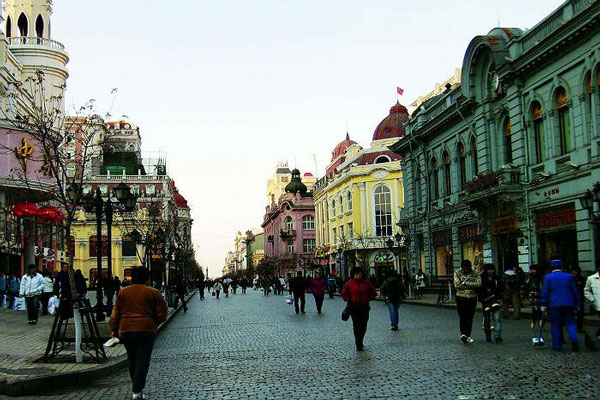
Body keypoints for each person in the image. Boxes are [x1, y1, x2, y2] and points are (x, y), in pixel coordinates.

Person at [109, 266, 167, 400]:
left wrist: (114, 330)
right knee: (142, 360)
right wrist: (154, 322)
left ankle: (136, 389)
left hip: (127, 330)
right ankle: (137, 391)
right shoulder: (153, 292)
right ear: (147, 278)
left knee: (132, 359)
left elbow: (116, 313)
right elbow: (162, 314)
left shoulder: (123, 292)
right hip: (146, 330)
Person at [540, 259, 580, 352]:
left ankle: (557, 345)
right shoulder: (569, 276)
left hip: (554, 304)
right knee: (570, 323)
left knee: (556, 325)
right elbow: (575, 290)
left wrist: (543, 303)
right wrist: (578, 302)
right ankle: (574, 339)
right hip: (568, 303)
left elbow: (545, 292)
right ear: (562, 267)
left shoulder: (547, 277)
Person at [341, 267, 377, 351]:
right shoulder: (349, 284)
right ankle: (358, 342)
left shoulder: (366, 283)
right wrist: (348, 299)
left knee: (364, 325)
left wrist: (369, 298)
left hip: (364, 307)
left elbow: (373, 292)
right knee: (356, 325)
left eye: (359, 274)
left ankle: (361, 339)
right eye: (356, 274)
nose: (358, 276)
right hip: (354, 307)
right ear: (353, 275)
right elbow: (343, 293)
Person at [454, 259, 481, 344]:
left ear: (470, 267)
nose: (465, 270)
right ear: (462, 267)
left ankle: (467, 334)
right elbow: (457, 285)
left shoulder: (475, 273)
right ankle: (463, 334)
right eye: (464, 269)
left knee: (470, 317)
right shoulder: (457, 273)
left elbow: (478, 284)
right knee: (462, 316)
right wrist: (471, 285)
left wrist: (466, 283)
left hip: (472, 297)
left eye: (467, 268)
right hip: (461, 297)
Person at [478, 264, 503, 343]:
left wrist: (494, 290)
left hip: (496, 300)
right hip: (485, 301)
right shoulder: (481, 278)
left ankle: (497, 336)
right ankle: (488, 335)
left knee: (497, 318)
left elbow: (501, 287)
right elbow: (479, 289)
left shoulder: (496, 278)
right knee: (487, 319)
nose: (491, 271)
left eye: (492, 269)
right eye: (489, 269)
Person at [584, 262, 600, 341]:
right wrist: (592, 299)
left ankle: (598, 333)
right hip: (598, 304)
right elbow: (586, 291)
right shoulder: (591, 278)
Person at [524, 264, 543, 329]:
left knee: (540, 309)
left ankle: (540, 321)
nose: (533, 271)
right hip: (532, 294)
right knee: (534, 309)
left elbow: (542, 285)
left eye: (534, 269)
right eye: (532, 269)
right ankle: (533, 321)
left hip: (539, 294)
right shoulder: (529, 276)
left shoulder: (540, 277)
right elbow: (526, 284)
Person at [570, 266, 586, 333]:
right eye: (573, 273)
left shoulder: (582, 279)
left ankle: (579, 327)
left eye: (575, 272)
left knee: (580, 314)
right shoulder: (569, 279)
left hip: (580, 298)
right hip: (571, 298)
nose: (574, 274)